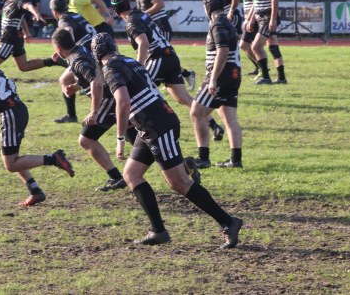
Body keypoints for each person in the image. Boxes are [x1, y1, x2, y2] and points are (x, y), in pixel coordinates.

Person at [90, 33, 243, 248]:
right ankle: (158, 231)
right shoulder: (129, 60)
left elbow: (122, 101)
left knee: (179, 182)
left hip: (157, 126)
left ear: (96, 53)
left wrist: (120, 138)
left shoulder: (111, 68)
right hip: (153, 124)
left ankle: (229, 222)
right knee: (131, 175)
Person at [0, 43, 74, 206]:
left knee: (11, 164)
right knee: (11, 156)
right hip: (17, 110)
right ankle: (35, 191)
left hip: (10, 114)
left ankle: (53, 158)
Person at [110, 0, 224, 147]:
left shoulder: (131, 22)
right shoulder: (140, 14)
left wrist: (138, 67)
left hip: (158, 59)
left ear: (115, 11)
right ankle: (213, 125)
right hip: (170, 57)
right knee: (182, 98)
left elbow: (143, 43)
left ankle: (143, 134)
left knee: (135, 93)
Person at [51, 28, 129, 191]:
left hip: (109, 99)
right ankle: (182, 165)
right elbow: (97, 73)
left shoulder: (76, 60)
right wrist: (78, 85)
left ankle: (116, 177)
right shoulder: (81, 49)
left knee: (86, 140)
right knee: (141, 141)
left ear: (58, 49)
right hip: (114, 96)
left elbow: (96, 83)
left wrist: (94, 112)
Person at [190, 0, 244, 169]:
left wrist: (213, 79)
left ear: (209, 6)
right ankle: (235, 160)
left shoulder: (218, 23)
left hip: (221, 75)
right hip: (234, 75)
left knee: (196, 112)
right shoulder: (225, 21)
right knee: (229, 118)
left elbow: (223, 50)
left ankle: (203, 158)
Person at [125, 0, 196, 90]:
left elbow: (160, 4)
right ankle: (185, 74)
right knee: (157, 55)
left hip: (162, 28)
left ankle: (169, 76)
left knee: (160, 55)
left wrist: (144, 15)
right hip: (153, 30)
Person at [0, 0, 64, 73]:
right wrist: (26, 33)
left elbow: (29, 6)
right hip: (16, 39)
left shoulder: (17, 0)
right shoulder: (8, 3)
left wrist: (36, 13)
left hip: (9, 40)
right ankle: (54, 61)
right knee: (24, 66)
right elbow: (22, 18)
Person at [49, 0, 98, 124]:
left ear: (53, 11)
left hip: (88, 54)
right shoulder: (75, 15)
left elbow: (68, 29)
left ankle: (73, 115)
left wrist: (68, 48)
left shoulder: (63, 19)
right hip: (97, 49)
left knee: (65, 80)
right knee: (93, 81)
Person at [246, 0, 287, 84]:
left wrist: (273, 20)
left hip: (267, 18)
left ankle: (265, 77)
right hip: (260, 19)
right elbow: (255, 3)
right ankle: (281, 78)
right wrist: (251, 20)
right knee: (273, 48)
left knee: (256, 47)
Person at [238, 0, 263, 77]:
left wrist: (249, 19)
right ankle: (260, 68)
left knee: (243, 45)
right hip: (250, 19)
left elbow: (255, 3)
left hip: (253, 20)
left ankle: (263, 68)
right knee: (249, 45)